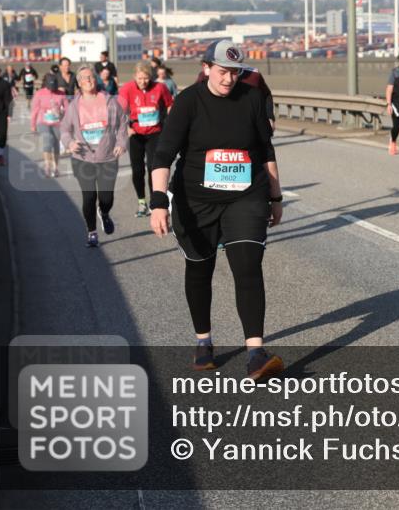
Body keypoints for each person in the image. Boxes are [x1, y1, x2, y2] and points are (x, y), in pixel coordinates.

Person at [151, 39, 284, 381]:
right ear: (206, 68)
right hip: (195, 201)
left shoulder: (252, 98)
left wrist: (275, 196)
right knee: (199, 268)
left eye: (235, 73)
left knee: (248, 265)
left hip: (245, 197)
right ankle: (203, 342)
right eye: (223, 72)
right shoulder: (188, 102)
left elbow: (265, 149)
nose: (229, 80)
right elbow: (164, 153)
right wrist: (157, 201)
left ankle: (256, 353)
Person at [59, 65, 129, 248]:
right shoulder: (74, 106)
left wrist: (122, 143)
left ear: (95, 80)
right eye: (84, 78)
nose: (88, 80)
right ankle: (91, 232)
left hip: (107, 158)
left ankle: (104, 213)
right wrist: (70, 143)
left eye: (91, 77)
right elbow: (64, 130)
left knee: (107, 198)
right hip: (83, 159)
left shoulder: (109, 102)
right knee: (88, 196)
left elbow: (122, 124)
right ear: (79, 83)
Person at [118, 63, 174, 217]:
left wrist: (169, 122)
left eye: (146, 78)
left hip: (155, 133)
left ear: (151, 77)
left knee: (153, 168)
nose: (143, 81)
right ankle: (141, 201)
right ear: (134, 77)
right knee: (137, 170)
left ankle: (153, 204)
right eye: (140, 78)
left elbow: (170, 105)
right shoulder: (127, 89)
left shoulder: (159, 88)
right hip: (135, 134)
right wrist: (126, 128)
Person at [195, 63, 275, 134]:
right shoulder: (208, 74)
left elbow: (266, 95)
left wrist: (269, 117)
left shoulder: (253, 75)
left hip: (247, 127)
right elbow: (196, 97)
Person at [30, 73, 68, 177]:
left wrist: (61, 112)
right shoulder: (39, 93)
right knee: (48, 141)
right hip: (43, 121)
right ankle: (47, 166)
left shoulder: (61, 94)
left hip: (57, 122)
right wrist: (33, 124)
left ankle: (55, 168)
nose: (52, 89)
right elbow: (35, 110)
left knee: (56, 145)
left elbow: (67, 109)